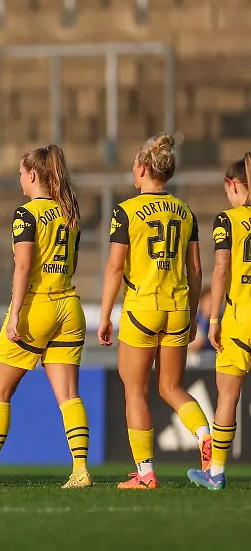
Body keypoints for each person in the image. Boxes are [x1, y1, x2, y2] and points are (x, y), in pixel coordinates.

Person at [0, 145, 91, 488]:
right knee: (70, 395)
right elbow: (72, 264)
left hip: (37, 308)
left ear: (32, 176)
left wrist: (14, 314)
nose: (19, 179)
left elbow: (24, 267)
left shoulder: (26, 214)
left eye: (20, 173)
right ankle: (80, 470)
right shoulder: (69, 213)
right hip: (70, 306)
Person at [97, 133, 211, 490]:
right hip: (177, 307)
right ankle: (205, 435)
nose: (133, 169)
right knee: (172, 387)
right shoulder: (185, 211)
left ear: (144, 168)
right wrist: (193, 315)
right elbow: (196, 271)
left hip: (142, 308)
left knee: (135, 389)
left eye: (134, 164)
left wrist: (104, 315)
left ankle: (145, 473)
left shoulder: (127, 210)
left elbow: (115, 268)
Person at [188, 153, 251, 490]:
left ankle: (216, 472)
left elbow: (222, 269)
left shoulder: (227, 220)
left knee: (228, 398)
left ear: (232, 184)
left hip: (240, 320)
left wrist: (214, 320)